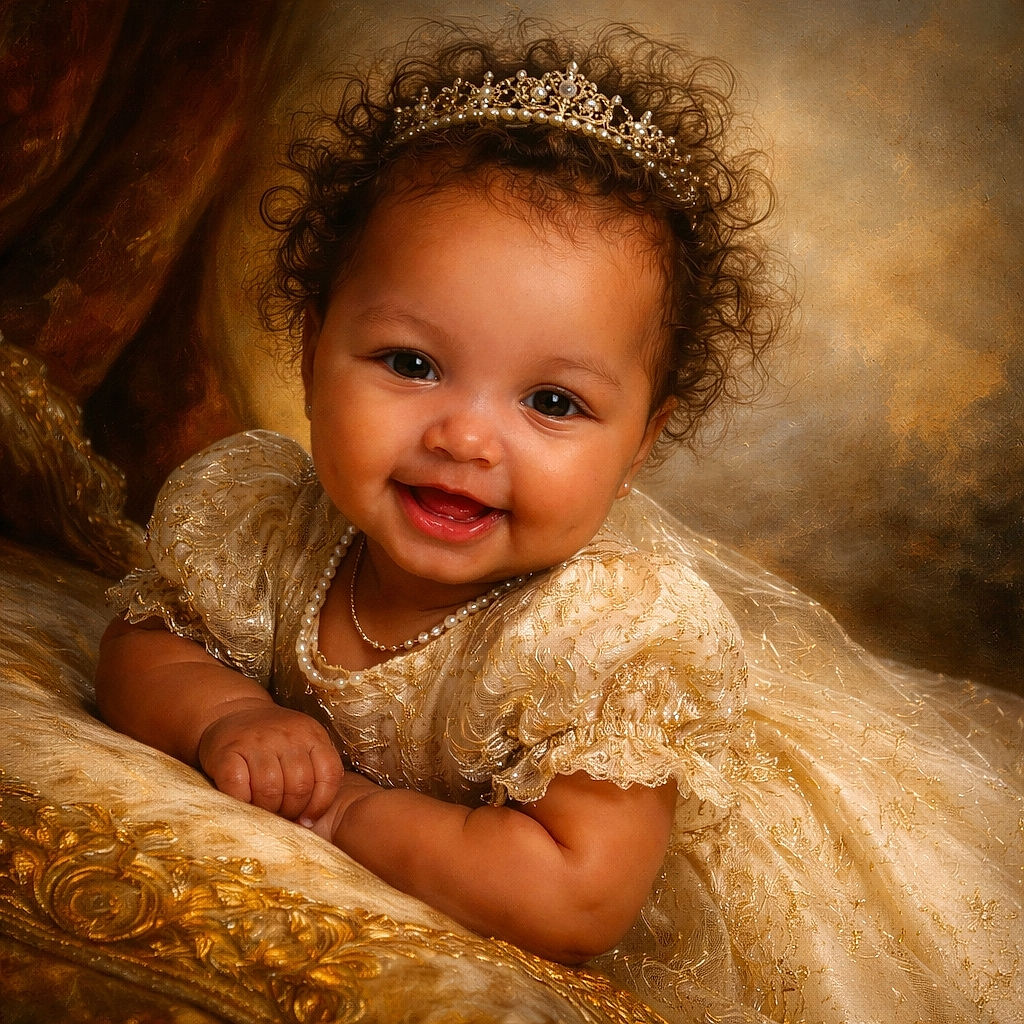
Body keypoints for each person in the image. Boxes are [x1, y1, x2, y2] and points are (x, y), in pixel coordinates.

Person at [94, 21, 1023, 1024]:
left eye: (551, 403)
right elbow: (143, 644)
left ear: (639, 445)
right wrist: (225, 714)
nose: (464, 438)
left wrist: (349, 808)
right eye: (411, 363)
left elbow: (575, 898)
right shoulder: (268, 520)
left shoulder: (607, 637)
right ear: (316, 350)